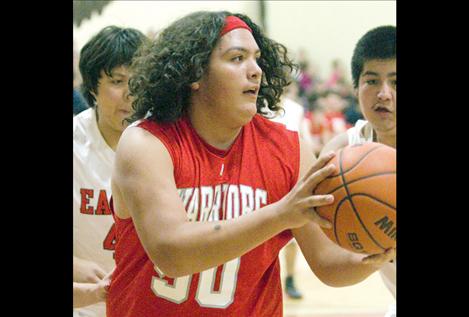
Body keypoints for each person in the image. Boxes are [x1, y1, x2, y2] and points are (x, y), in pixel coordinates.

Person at [108, 12, 395, 317]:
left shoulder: (288, 148)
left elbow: (327, 264)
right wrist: (280, 214)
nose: (255, 70)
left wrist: (377, 251)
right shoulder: (146, 143)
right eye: (237, 58)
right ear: (194, 73)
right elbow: (172, 253)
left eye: (257, 59)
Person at [320, 25, 396, 317]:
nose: (384, 94)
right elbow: (327, 260)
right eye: (372, 81)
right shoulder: (342, 153)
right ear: (356, 88)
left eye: (396, 81)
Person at [73, 25, 147, 317]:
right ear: (92, 87)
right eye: (118, 81)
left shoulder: (163, 142)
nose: (130, 95)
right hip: (85, 305)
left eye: (138, 81)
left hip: (149, 303)